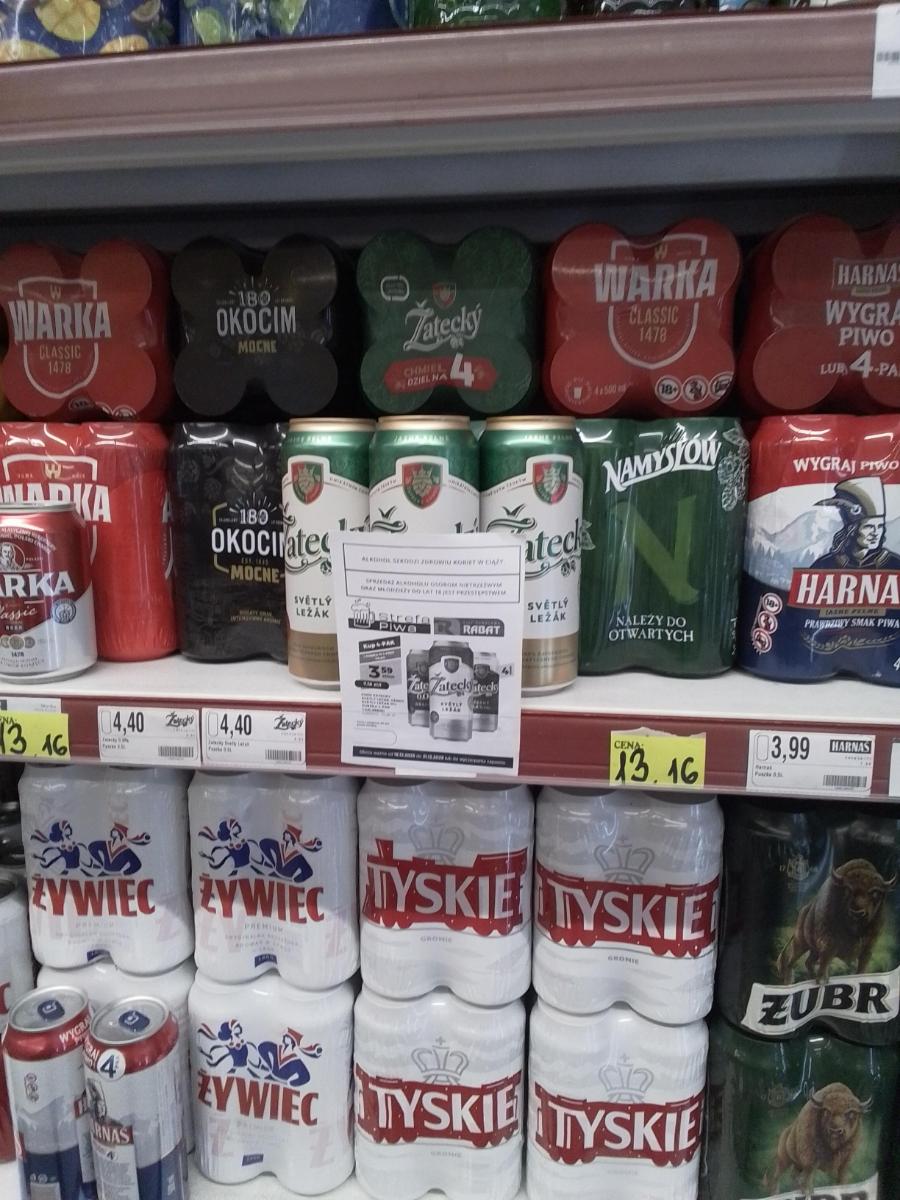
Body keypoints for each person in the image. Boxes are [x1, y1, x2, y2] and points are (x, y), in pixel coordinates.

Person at [813, 476, 900, 570]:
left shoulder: (895, 563)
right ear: (852, 530)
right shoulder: (825, 564)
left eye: (880, 526)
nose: (875, 533)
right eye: (869, 527)